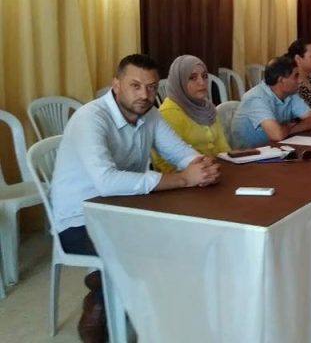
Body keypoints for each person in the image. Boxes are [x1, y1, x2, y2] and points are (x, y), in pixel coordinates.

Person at [50, 54, 221, 343]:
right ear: (116, 85)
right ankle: (104, 309)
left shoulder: (149, 114)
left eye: (151, 87)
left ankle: (110, 290)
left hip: (126, 209)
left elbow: (179, 152)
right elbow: (107, 182)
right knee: (149, 251)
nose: (144, 94)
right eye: (135, 86)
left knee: (185, 237)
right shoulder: (91, 118)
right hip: (78, 220)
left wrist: (200, 165)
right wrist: (184, 179)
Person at [152, 55, 231, 172]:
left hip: (215, 171)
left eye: (204, 76)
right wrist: (194, 176)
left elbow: (223, 148)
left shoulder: (208, 108)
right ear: (179, 81)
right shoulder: (169, 113)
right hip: (185, 177)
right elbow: (164, 162)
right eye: (192, 78)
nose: (202, 82)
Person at [231, 55, 311, 148]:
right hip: (249, 153)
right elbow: (277, 135)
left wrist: (287, 129)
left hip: (275, 148)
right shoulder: (256, 98)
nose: (300, 80)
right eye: (296, 76)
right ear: (281, 80)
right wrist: (288, 127)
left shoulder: (290, 94)